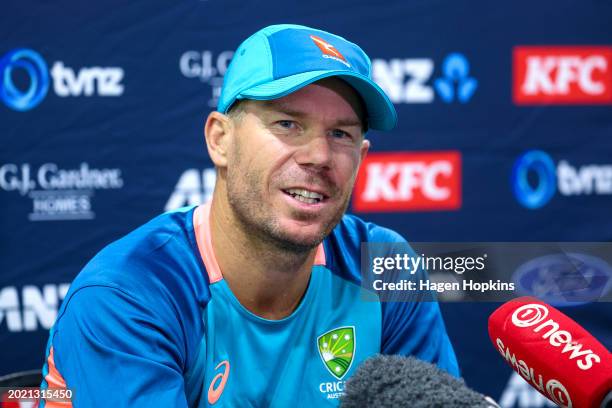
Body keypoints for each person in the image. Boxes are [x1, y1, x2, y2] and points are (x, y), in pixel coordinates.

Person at [39, 24, 458, 407]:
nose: (319, 156)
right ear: (220, 140)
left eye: (340, 134)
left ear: (361, 157)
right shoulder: (130, 293)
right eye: (287, 124)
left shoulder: (384, 265)